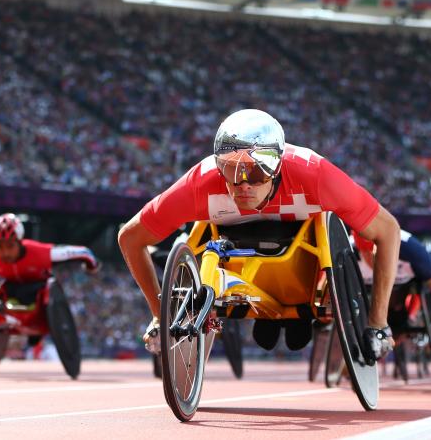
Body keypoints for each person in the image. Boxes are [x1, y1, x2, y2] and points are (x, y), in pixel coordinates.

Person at [118, 109, 400, 363]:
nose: (242, 184)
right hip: (237, 254)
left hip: (303, 263)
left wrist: (378, 323)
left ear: (278, 165)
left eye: (256, 171)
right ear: (218, 166)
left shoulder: (314, 174)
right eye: (230, 169)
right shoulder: (200, 183)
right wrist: (160, 313)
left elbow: (388, 230)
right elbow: (130, 238)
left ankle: (291, 306)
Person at [0, 213, 99, 336]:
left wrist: (92, 266)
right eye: (0, 246)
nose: (5, 253)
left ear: (20, 242)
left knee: (45, 288)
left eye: (10, 246)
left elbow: (84, 252)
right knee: (0, 289)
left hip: (38, 289)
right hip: (12, 288)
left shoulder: (40, 253)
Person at [354, 230, 431, 327]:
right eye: (368, 253)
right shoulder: (348, 251)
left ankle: (406, 318)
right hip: (369, 288)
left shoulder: (412, 252)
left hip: (405, 287)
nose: (373, 256)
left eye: (376, 251)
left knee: (400, 320)